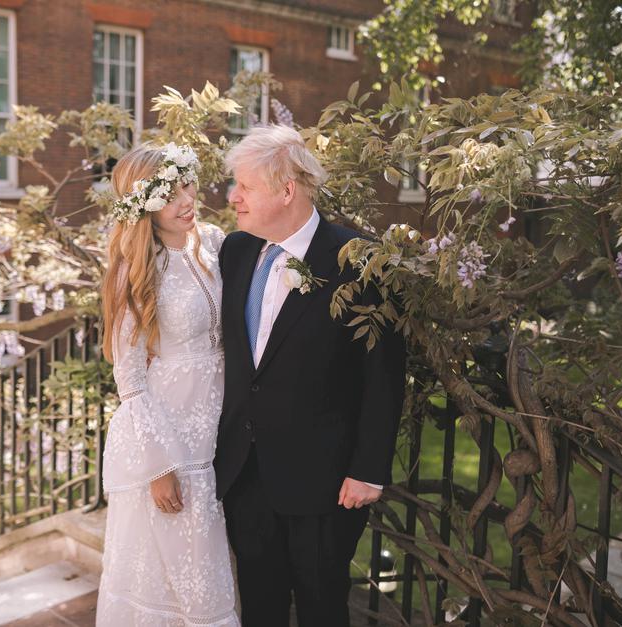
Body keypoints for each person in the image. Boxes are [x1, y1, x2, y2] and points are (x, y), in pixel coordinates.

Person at [215, 125, 407, 627]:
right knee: (259, 604)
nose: (233, 198)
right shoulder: (235, 253)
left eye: (244, 187)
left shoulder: (360, 261)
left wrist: (369, 469)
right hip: (245, 473)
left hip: (325, 482)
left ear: (286, 191)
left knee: (322, 606)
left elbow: (383, 374)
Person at [96, 143, 239, 626]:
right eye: (169, 192)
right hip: (171, 436)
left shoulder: (215, 241)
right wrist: (158, 466)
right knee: (182, 570)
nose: (186, 199)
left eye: (187, 183)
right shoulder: (136, 269)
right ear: (143, 205)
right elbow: (131, 378)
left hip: (225, 420)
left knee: (216, 560)